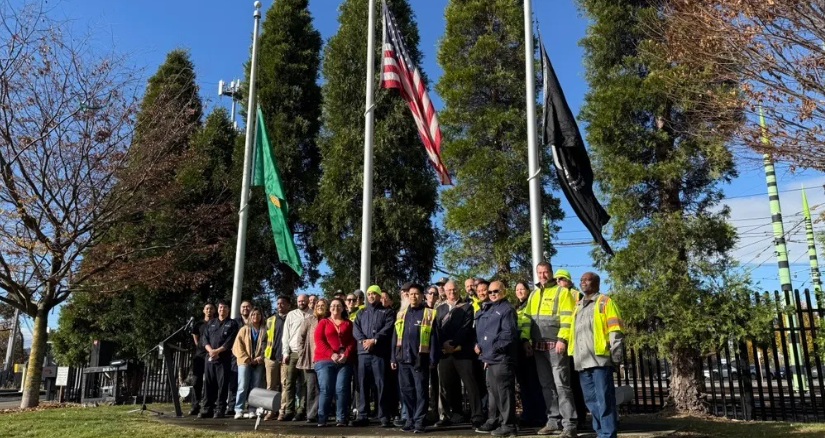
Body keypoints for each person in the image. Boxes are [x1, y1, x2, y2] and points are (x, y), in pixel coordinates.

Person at [525, 261, 578, 437]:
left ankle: (569, 424)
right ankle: (553, 421)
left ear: (551, 273)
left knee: (562, 385)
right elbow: (527, 319)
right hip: (538, 347)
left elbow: (567, 318)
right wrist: (525, 339)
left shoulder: (562, 292)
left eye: (545, 272)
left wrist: (562, 339)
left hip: (556, 345)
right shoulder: (533, 295)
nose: (542, 275)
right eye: (539, 273)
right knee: (546, 385)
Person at [571, 272, 624, 438]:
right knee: (591, 402)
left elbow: (615, 330)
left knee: (605, 400)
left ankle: (607, 434)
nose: (583, 282)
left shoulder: (605, 302)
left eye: (586, 280)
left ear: (596, 283)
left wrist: (615, 357)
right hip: (582, 362)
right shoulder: (578, 305)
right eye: (581, 280)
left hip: (600, 360)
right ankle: (600, 432)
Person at [391, 283, 439, 433]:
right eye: (411, 294)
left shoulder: (429, 314)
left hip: (420, 360)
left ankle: (419, 421)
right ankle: (410, 419)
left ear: (422, 296)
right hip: (402, 359)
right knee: (407, 391)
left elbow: (434, 338)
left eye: (416, 294)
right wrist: (393, 357)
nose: (413, 296)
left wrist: (432, 359)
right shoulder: (401, 314)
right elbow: (395, 337)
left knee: (420, 392)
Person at [435, 280, 483, 427]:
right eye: (449, 290)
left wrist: (454, 343)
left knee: (470, 384)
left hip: (463, 352)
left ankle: (477, 416)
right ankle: (454, 414)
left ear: (458, 290)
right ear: (445, 291)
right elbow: (437, 329)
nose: (452, 293)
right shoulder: (440, 308)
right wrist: (443, 343)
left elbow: (466, 327)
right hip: (445, 353)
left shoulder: (467, 307)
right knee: (448, 385)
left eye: (454, 290)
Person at [475, 281, 518, 437]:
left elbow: (508, 335)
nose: (492, 294)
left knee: (504, 392)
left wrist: (492, 348)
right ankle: (502, 423)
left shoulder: (507, 309)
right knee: (496, 393)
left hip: (502, 358)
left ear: (503, 291)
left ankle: (509, 426)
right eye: (490, 292)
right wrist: (483, 348)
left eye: (495, 291)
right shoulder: (492, 309)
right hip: (491, 359)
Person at [352, 285, 395, 427]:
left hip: (379, 353)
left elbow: (388, 328)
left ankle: (383, 415)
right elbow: (356, 329)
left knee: (381, 384)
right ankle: (363, 415)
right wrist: (364, 341)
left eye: (374, 294)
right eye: (369, 294)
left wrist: (374, 340)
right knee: (362, 385)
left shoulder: (387, 312)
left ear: (379, 296)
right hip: (363, 353)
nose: (371, 296)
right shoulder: (361, 312)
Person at [314, 298, 356, 427]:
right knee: (326, 389)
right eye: (332, 306)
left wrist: (346, 354)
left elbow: (352, 341)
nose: (335, 308)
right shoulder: (323, 322)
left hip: (344, 361)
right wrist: (331, 354)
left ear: (343, 308)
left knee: (342, 388)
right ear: (329, 308)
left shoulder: (348, 324)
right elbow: (318, 340)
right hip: (324, 360)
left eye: (338, 306)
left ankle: (341, 418)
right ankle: (322, 418)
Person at [555, 269, 588, 430]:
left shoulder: (576, 295)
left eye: (561, 279)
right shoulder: (555, 296)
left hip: (574, 346)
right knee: (562, 384)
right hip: (561, 346)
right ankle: (566, 417)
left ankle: (580, 417)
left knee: (575, 384)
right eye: (556, 280)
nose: (558, 282)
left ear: (568, 281)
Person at [514, 281, 547, 427]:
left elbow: (529, 324)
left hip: (530, 347)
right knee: (524, 385)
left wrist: (526, 340)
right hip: (519, 348)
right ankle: (527, 414)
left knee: (534, 383)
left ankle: (539, 415)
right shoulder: (516, 307)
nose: (520, 291)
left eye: (522, 289)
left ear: (528, 291)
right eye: (517, 289)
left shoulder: (531, 304)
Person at [200, 301, 239, 418]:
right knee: (208, 384)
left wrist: (217, 351)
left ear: (228, 310)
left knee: (222, 385)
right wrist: (210, 351)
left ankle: (220, 409)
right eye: (220, 307)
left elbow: (231, 340)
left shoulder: (232, 323)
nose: (222, 309)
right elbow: (205, 339)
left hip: (224, 359)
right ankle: (207, 408)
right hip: (210, 358)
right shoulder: (211, 322)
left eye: (225, 307)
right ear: (218, 309)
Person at [281, 293, 311, 421]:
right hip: (293, 353)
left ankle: (301, 410)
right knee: (289, 383)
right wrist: (285, 352)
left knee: (305, 383)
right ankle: (289, 410)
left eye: (303, 301)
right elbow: (285, 335)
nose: (301, 303)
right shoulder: (291, 315)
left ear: (308, 301)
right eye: (299, 301)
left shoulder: (313, 315)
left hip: (307, 353)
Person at [297, 298, 328, 424]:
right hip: (311, 359)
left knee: (325, 387)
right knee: (312, 387)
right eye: (318, 305)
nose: (320, 307)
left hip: (326, 358)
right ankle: (311, 414)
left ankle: (324, 413)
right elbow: (300, 338)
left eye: (323, 305)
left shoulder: (329, 320)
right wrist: (302, 352)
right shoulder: (308, 320)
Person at [233, 307, 267, 419]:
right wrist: (247, 358)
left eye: (258, 314)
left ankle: (252, 409)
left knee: (256, 387)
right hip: (244, 361)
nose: (255, 317)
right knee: (242, 385)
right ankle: (239, 409)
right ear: (250, 316)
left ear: (261, 316)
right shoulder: (244, 329)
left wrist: (261, 357)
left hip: (259, 362)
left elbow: (268, 345)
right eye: (253, 314)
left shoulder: (265, 330)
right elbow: (238, 345)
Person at [263, 296, 290, 421]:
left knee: (284, 385)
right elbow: (265, 338)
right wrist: (265, 354)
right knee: (270, 386)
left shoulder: (291, 318)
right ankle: (270, 410)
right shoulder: (270, 320)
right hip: (271, 357)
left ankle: (282, 411)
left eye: (283, 303)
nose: (280, 305)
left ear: (288, 305)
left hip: (285, 357)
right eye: (278, 303)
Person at [226, 300, 253, 413]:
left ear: (251, 308)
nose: (245, 309)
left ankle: (250, 405)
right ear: (239, 309)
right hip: (236, 356)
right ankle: (232, 406)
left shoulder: (255, 321)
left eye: (247, 306)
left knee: (251, 383)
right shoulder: (234, 322)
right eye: (243, 307)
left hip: (252, 357)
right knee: (234, 382)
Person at [189, 302, 215, 416]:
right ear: (204, 310)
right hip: (199, 355)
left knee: (210, 381)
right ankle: (195, 405)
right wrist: (199, 345)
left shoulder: (215, 323)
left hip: (211, 355)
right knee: (196, 381)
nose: (209, 310)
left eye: (211, 309)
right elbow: (195, 336)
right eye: (207, 309)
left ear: (214, 311)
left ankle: (208, 404)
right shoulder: (199, 324)